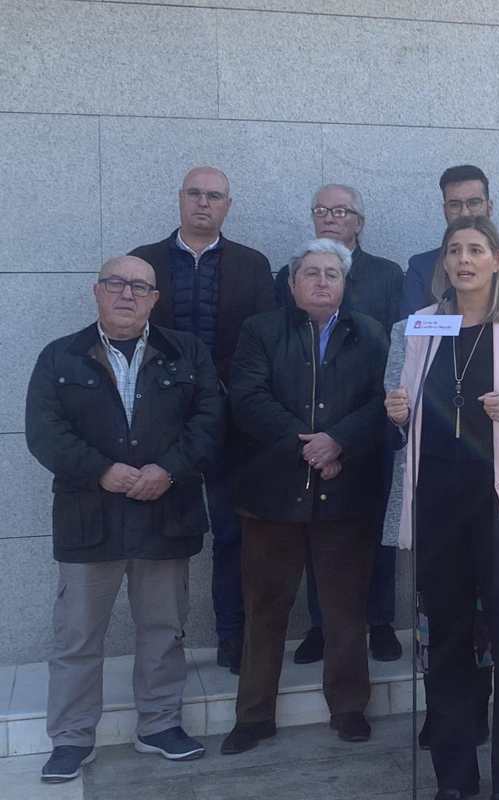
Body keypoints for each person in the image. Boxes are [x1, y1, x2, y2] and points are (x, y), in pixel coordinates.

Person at [384, 215, 499, 800]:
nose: (464, 259)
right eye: (454, 250)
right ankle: (453, 778)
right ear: (444, 262)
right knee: (446, 639)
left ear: (497, 260)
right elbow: (407, 407)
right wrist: (397, 412)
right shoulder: (423, 324)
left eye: (476, 249)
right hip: (439, 501)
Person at [26, 256, 222, 783]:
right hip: (90, 517)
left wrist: (171, 469)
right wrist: (102, 471)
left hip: (166, 511)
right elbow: (44, 432)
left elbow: (210, 422)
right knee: (77, 638)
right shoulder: (59, 356)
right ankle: (71, 738)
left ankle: (158, 725)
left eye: (140, 287)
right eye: (116, 284)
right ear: (96, 291)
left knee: (163, 630)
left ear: (155, 299)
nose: (127, 294)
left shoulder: (188, 353)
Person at [219, 239, 389, 755]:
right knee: (265, 607)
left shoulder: (371, 334)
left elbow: (384, 401)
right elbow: (248, 399)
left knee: (344, 609)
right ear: (291, 284)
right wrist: (310, 446)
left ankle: (349, 708)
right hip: (272, 495)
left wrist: (340, 442)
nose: (320, 281)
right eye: (310, 273)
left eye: (331, 274)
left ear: (345, 284)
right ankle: (253, 716)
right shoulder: (260, 331)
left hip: (345, 494)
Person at [129, 166, 275, 675]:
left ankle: (232, 637)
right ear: (180, 199)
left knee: (233, 533)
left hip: (233, 422)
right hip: (161, 423)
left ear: (228, 205)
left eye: (214, 196)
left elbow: (262, 343)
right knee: (164, 536)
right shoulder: (144, 262)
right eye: (194, 193)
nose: (203, 203)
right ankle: (163, 648)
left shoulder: (253, 266)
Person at [274, 184, 404, 666]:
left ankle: (381, 621)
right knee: (317, 530)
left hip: (372, 421)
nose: (330, 217)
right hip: (314, 430)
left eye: (342, 211)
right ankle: (320, 626)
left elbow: (401, 345)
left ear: (359, 221)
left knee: (379, 528)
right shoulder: (289, 273)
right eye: (322, 210)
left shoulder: (388, 274)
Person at [402, 164, 499, 317]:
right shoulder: (421, 267)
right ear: (444, 211)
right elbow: (411, 331)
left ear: (489, 207)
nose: (465, 213)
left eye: (474, 202)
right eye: (455, 205)